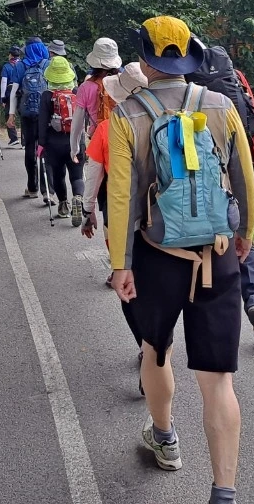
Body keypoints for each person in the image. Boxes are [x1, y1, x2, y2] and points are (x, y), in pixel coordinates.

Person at [106, 16, 254, 503]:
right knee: (218, 381)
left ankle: (165, 436)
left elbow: (123, 196)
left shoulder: (127, 114)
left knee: (157, 349)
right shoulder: (220, 105)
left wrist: (120, 263)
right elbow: (244, 176)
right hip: (217, 253)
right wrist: (245, 234)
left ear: (144, 58)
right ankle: (224, 492)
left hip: (157, 257)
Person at [189, 42, 254, 343]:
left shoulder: (188, 87)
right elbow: (252, 122)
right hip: (241, 168)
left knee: (203, 242)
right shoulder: (235, 78)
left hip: (200, 178)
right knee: (241, 234)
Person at [82, 62, 149, 365]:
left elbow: (94, 174)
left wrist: (87, 210)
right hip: (161, 214)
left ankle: (146, 344)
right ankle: (159, 341)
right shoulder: (167, 119)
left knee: (126, 280)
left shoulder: (107, 128)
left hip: (119, 212)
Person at [38, 54, 86, 222]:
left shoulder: (47, 95)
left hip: (54, 143)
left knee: (58, 175)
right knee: (77, 174)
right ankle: (78, 197)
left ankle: (63, 205)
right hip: (75, 141)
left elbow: (42, 122)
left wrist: (41, 144)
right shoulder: (77, 92)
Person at [71, 37, 122, 158]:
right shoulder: (123, 82)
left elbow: (77, 123)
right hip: (121, 140)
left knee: (95, 171)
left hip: (97, 139)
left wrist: (74, 149)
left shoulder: (85, 87)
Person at [13, 37, 50, 198]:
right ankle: (47, 190)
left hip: (27, 113)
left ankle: (32, 187)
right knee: (45, 148)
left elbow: (14, 92)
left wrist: (11, 114)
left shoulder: (20, 65)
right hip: (45, 112)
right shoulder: (48, 65)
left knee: (30, 147)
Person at [0, 45, 25, 147]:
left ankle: (13, 138)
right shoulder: (22, 65)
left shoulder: (7, 66)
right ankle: (24, 141)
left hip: (10, 92)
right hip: (22, 91)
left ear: (10, 55)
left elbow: (3, 82)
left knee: (8, 113)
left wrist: (2, 98)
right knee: (23, 116)